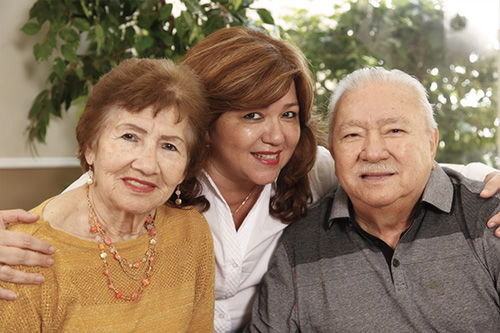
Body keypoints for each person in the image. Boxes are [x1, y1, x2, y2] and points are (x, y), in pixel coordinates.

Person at [1, 27, 500, 332]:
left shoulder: (316, 170)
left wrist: (488, 179)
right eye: (252, 116)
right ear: (207, 122)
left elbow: (400, 165)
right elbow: (74, 211)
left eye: (288, 114)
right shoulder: (158, 176)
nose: (276, 137)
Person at [245, 67, 500, 332]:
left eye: (395, 131)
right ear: (333, 152)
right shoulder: (299, 245)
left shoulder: (490, 219)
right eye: (352, 135)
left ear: (431, 142)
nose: (373, 153)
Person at [0, 58, 215, 331]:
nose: (147, 164)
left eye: (170, 146)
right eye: (129, 137)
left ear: (186, 168)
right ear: (90, 146)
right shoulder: (24, 254)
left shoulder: (190, 231)